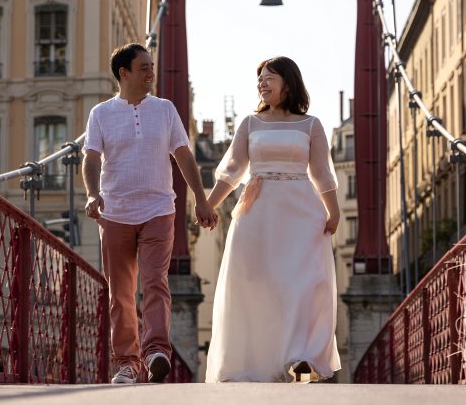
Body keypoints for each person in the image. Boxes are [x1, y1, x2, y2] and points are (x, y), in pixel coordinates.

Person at [82, 42, 217, 385]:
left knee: (155, 281)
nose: (151, 74)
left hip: (159, 208)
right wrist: (93, 194)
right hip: (115, 212)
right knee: (121, 291)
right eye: (144, 68)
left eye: (152, 67)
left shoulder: (166, 109)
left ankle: (156, 351)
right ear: (123, 73)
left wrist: (202, 200)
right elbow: (92, 158)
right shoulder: (101, 113)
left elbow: (185, 156)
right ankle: (127, 362)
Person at [205, 56, 341, 383]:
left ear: (289, 83)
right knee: (254, 285)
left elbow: (321, 172)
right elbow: (234, 170)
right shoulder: (250, 123)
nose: (262, 84)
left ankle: (300, 358)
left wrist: (334, 211)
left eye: (269, 78)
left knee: (304, 284)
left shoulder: (311, 125)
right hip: (258, 211)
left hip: (301, 211)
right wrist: (208, 205)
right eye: (259, 80)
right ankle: (253, 362)